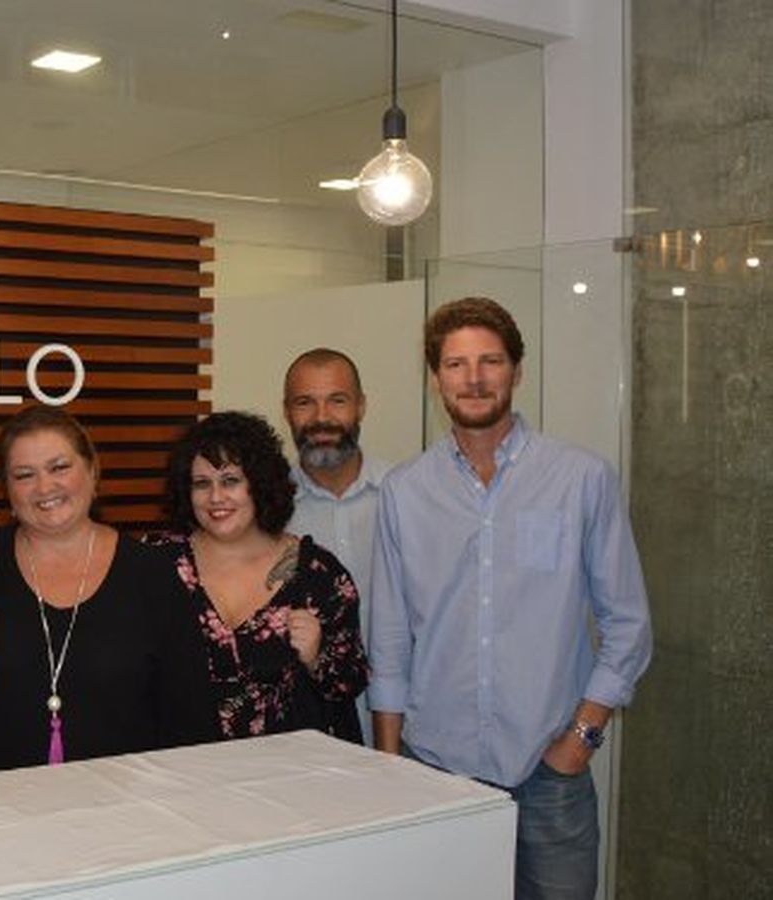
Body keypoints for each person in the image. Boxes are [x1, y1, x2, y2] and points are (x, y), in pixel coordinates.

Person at [369, 297, 652, 900]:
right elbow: (390, 638)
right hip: (435, 769)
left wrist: (581, 739)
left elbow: (627, 623)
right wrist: (391, 766)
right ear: (435, 379)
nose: (473, 378)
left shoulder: (581, 478)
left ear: (517, 371)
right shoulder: (404, 491)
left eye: (490, 361)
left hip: (551, 771)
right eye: (455, 364)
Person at [0, 406, 213, 772]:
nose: (45, 487)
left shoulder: (151, 573)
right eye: (24, 475)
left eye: (59, 467)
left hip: (128, 813)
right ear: (6, 489)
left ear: (92, 470)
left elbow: (190, 719)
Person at [148, 411, 367, 743]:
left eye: (231, 481)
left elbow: (350, 685)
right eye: (202, 483)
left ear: (260, 483)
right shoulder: (156, 564)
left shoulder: (318, 574)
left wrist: (316, 657)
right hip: (182, 776)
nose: (216, 497)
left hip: (292, 779)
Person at [281, 347, 388, 743]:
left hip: (406, 722)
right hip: (310, 729)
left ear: (361, 406)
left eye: (337, 401)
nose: (322, 418)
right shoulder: (264, 513)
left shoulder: (405, 496)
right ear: (286, 411)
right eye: (305, 402)